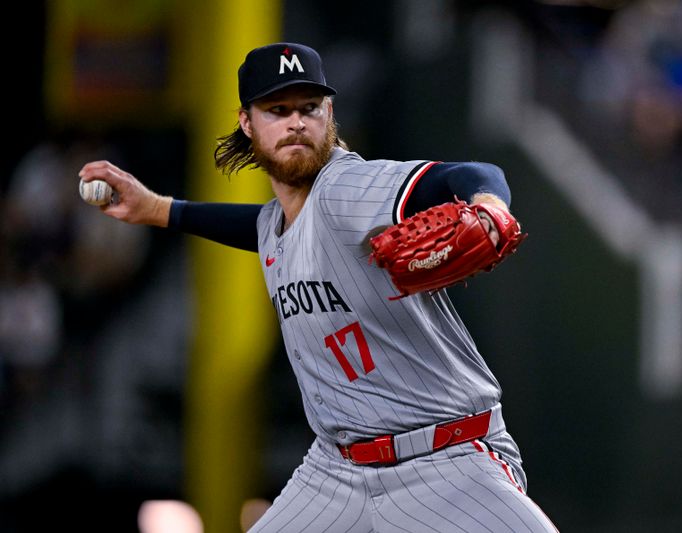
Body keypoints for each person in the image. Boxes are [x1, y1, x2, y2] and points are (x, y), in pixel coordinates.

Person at [79, 42, 559, 533]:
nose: (296, 122)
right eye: (277, 110)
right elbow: (260, 227)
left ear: (329, 112)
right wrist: (157, 209)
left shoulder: (347, 188)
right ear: (248, 122)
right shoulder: (279, 224)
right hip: (336, 472)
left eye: (309, 108)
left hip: (444, 461)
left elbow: (473, 174)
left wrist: (490, 205)